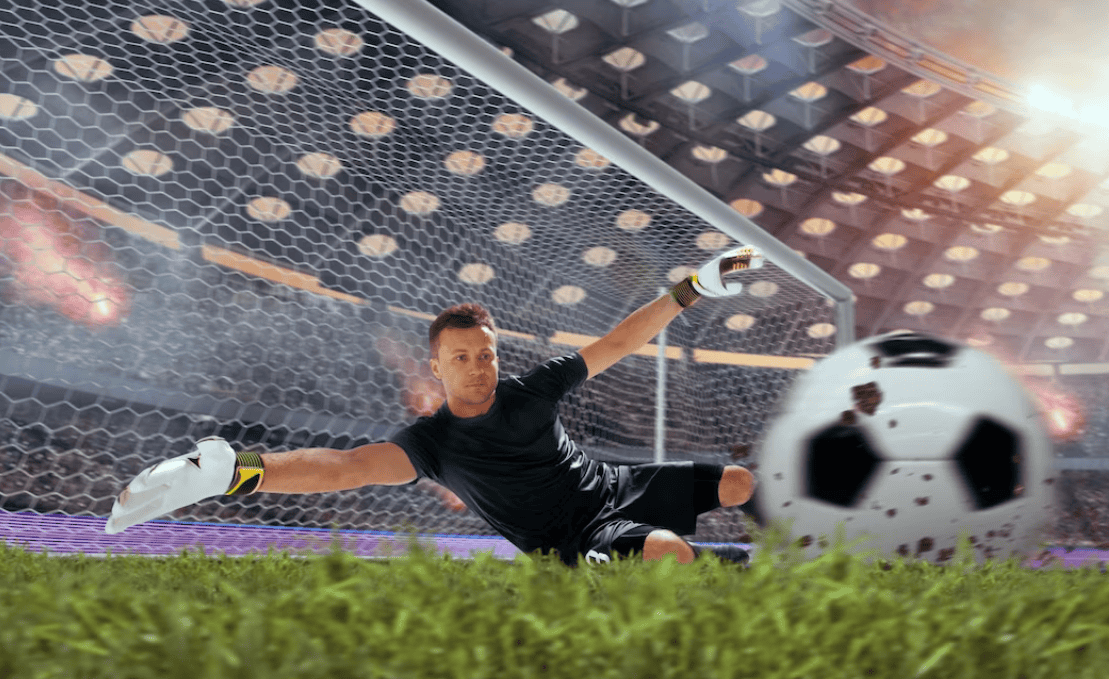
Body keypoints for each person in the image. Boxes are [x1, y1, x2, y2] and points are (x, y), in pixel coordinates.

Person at [106, 246, 762, 566]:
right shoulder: (433, 443)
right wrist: (236, 470)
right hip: (567, 534)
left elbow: (619, 340)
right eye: (461, 358)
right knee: (670, 555)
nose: (477, 367)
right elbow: (343, 467)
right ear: (437, 367)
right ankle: (609, 569)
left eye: (485, 354)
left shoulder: (533, 390)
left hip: (614, 485)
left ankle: (793, 545)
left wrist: (692, 287)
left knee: (737, 482)